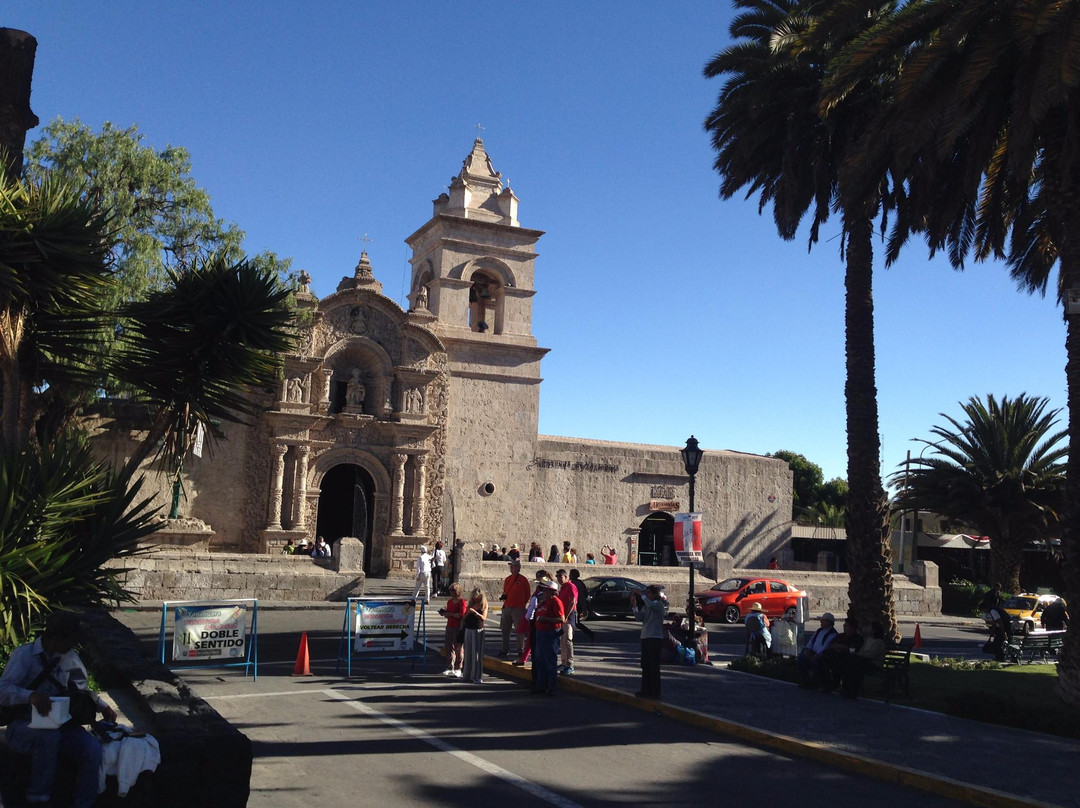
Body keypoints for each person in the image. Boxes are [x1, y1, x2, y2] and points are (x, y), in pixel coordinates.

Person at [0, 612, 117, 808]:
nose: (72, 647)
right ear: (55, 639)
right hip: (23, 724)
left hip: (59, 724)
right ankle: (39, 798)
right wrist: (30, 696)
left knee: (92, 749)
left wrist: (102, 706)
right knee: (48, 738)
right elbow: (2, 690)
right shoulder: (24, 656)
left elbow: (81, 690)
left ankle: (84, 802)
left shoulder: (70, 658)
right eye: (69, 642)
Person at [631, 585, 668, 699]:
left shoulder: (658, 605)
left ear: (654, 594)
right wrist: (635, 607)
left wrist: (641, 595)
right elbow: (640, 617)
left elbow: (651, 605)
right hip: (645, 636)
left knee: (654, 666)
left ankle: (655, 691)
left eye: (648, 593)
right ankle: (645, 690)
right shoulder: (647, 606)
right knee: (645, 665)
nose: (647, 595)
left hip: (655, 638)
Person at [533, 580, 565, 696]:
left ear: (551, 591)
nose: (543, 591)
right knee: (540, 659)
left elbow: (561, 619)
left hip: (550, 633)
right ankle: (541, 685)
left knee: (549, 660)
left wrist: (545, 620)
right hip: (541, 632)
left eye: (545, 589)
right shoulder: (544, 602)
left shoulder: (556, 602)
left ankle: (551, 686)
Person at [838, 621, 886, 698]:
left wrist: (859, 654)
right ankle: (847, 689)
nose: (867, 629)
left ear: (873, 630)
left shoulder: (879, 642)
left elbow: (871, 655)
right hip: (863, 661)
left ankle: (852, 691)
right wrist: (859, 654)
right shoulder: (868, 639)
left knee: (855, 665)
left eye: (869, 627)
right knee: (849, 663)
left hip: (874, 664)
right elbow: (862, 651)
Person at [498, 560, 531, 658]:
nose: (511, 568)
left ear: (518, 568)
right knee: (505, 630)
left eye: (512, 566)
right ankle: (505, 649)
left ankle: (520, 649)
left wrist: (522, 604)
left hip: (518, 608)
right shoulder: (507, 579)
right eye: (511, 566)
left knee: (519, 630)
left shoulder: (523, 580)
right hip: (507, 606)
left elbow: (527, 594)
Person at [822, 617, 864, 691]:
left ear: (852, 628)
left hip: (847, 659)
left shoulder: (857, 638)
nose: (844, 627)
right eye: (844, 625)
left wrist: (842, 648)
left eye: (846, 626)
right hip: (835, 657)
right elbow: (832, 644)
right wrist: (840, 647)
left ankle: (842, 685)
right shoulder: (840, 636)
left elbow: (852, 649)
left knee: (844, 664)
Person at [798, 613, 838, 688]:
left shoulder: (832, 634)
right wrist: (808, 649)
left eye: (823, 621)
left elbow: (826, 645)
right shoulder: (819, 631)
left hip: (822, 654)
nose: (821, 622)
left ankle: (816, 683)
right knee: (801, 658)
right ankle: (805, 681)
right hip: (812, 652)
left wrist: (817, 654)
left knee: (816, 663)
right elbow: (812, 640)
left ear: (829, 622)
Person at [438, 583, 467, 677]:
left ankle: (459, 667)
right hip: (450, 625)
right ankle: (451, 665)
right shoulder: (449, 602)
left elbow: (461, 615)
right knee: (449, 646)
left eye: (453, 590)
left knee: (458, 647)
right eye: (450, 590)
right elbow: (452, 614)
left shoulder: (461, 601)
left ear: (457, 591)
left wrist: (451, 614)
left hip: (458, 626)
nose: (451, 592)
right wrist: (449, 614)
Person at [461, 588, 489, 683]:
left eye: (477, 597)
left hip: (478, 629)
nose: (475, 599)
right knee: (468, 653)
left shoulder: (483, 605)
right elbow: (464, 617)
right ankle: (467, 675)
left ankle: (477, 676)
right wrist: (468, 612)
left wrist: (475, 613)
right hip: (469, 629)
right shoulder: (471, 604)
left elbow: (484, 618)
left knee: (477, 654)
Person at [556, 569, 577, 674]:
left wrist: (566, 616)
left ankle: (570, 664)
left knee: (568, 640)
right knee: (562, 641)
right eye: (557, 576)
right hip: (562, 616)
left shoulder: (571, 586)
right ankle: (563, 662)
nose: (559, 578)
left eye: (560, 576)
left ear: (566, 576)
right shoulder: (562, 588)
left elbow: (572, 602)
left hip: (569, 616)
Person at [568, 569, 595, 643]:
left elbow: (582, 597)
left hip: (576, 606)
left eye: (570, 574)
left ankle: (589, 633)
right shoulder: (580, 582)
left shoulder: (575, 584)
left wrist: (584, 608)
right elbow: (585, 594)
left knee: (575, 623)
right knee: (575, 622)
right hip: (577, 605)